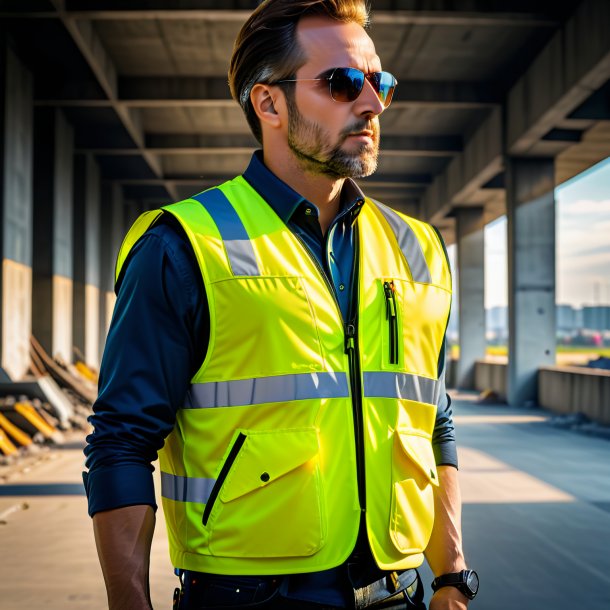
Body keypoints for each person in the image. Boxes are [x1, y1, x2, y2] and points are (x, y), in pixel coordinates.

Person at [83, 1, 478, 608]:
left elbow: (433, 421)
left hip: (401, 595)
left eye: (381, 82)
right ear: (268, 104)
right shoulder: (183, 246)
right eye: (344, 82)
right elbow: (120, 441)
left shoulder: (417, 249)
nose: (371, 104)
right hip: (249, 599)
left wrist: (451, 576)